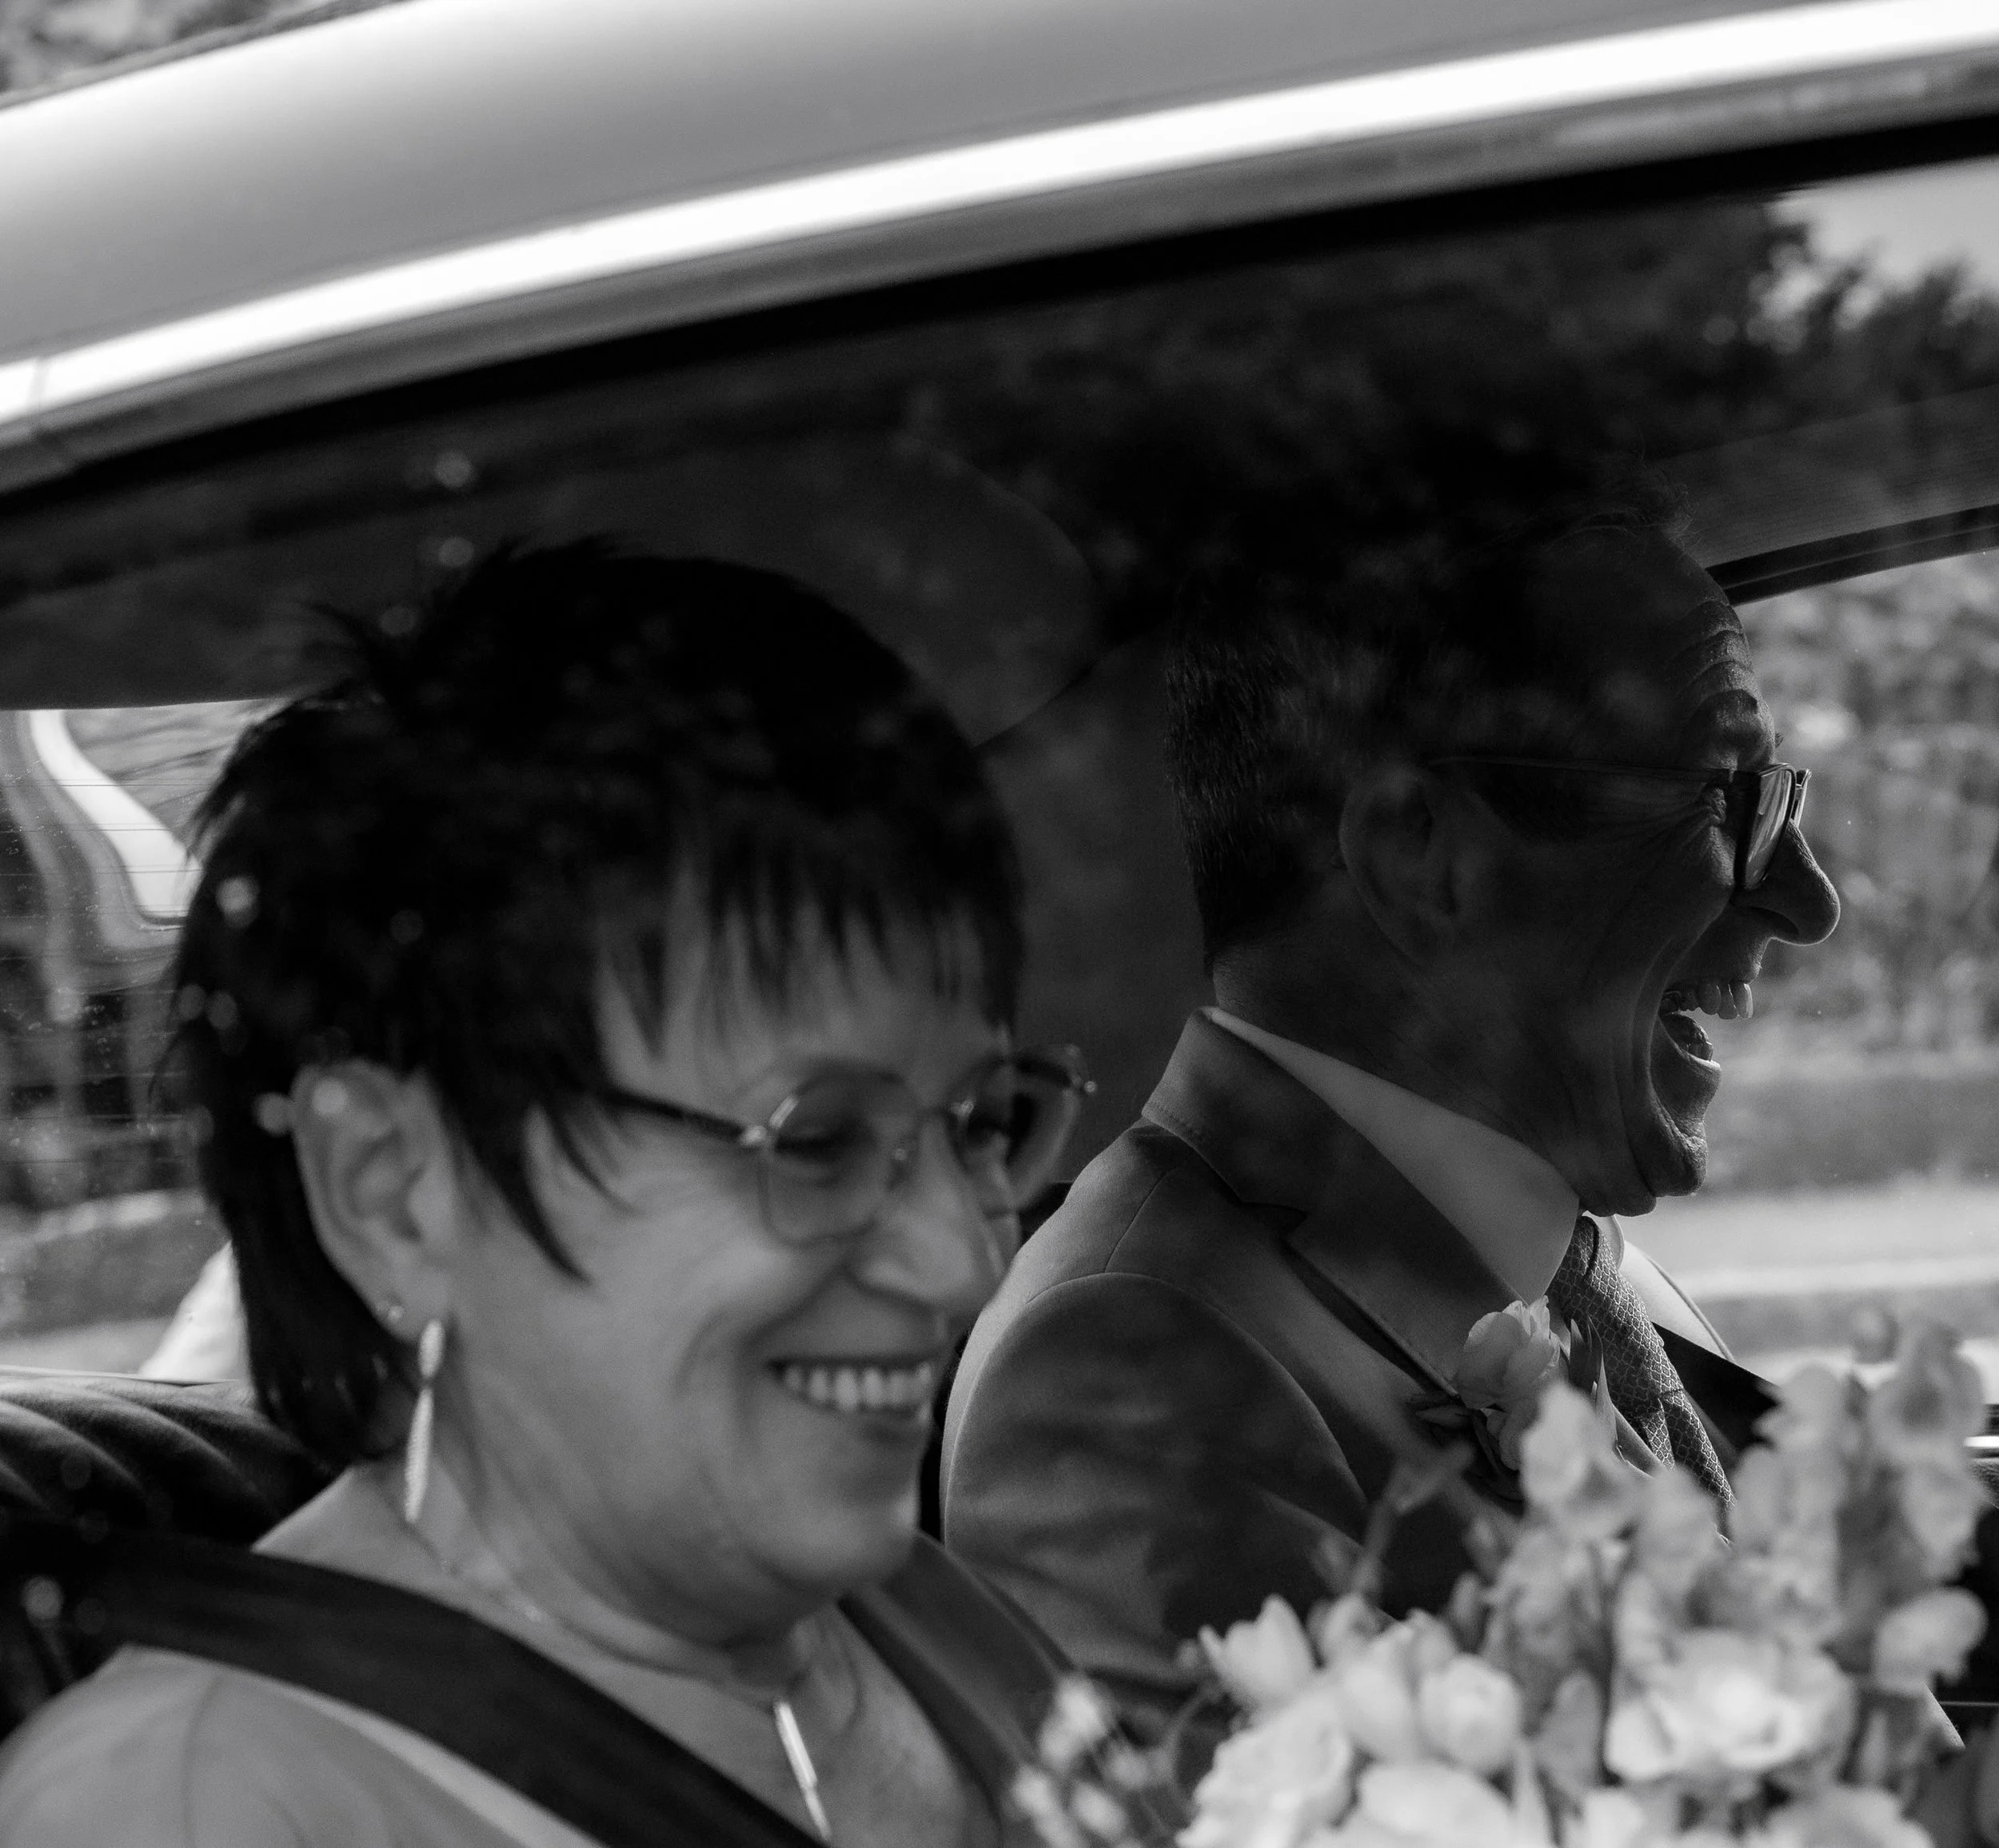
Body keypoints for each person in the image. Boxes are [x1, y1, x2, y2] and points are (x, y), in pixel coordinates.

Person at [0, 543, 1091, 1846]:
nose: (964, 1258)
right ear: (395, 1190)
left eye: (980, 1123)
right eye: (814, 1140)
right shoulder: (188, 1808)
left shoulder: (924, 1614)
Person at [940, 495, 1843, 1738]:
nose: (1809, 899)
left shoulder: (1586, 1274)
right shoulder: (1123, 1382)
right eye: (1729, 800)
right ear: (1424, 855)